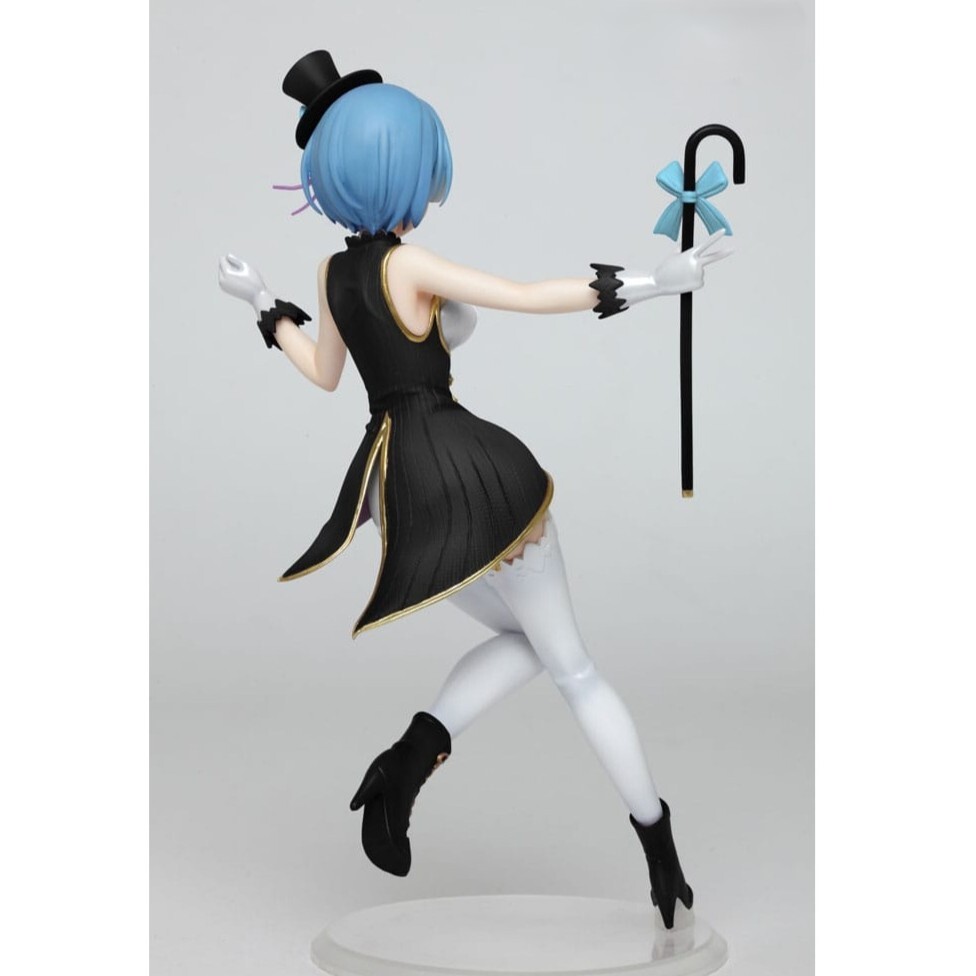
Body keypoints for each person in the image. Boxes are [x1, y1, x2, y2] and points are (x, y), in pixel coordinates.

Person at [218, 50, 731, 929]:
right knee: (575, 669)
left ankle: (406, 763)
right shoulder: (410, 266)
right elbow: (527, 295)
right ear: (405, 175)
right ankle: (659, 847)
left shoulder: (332, 277)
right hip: (470, 476)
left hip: (400, 491)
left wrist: (262, 300)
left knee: (529, 644)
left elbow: (325, 372)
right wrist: (657, 281)